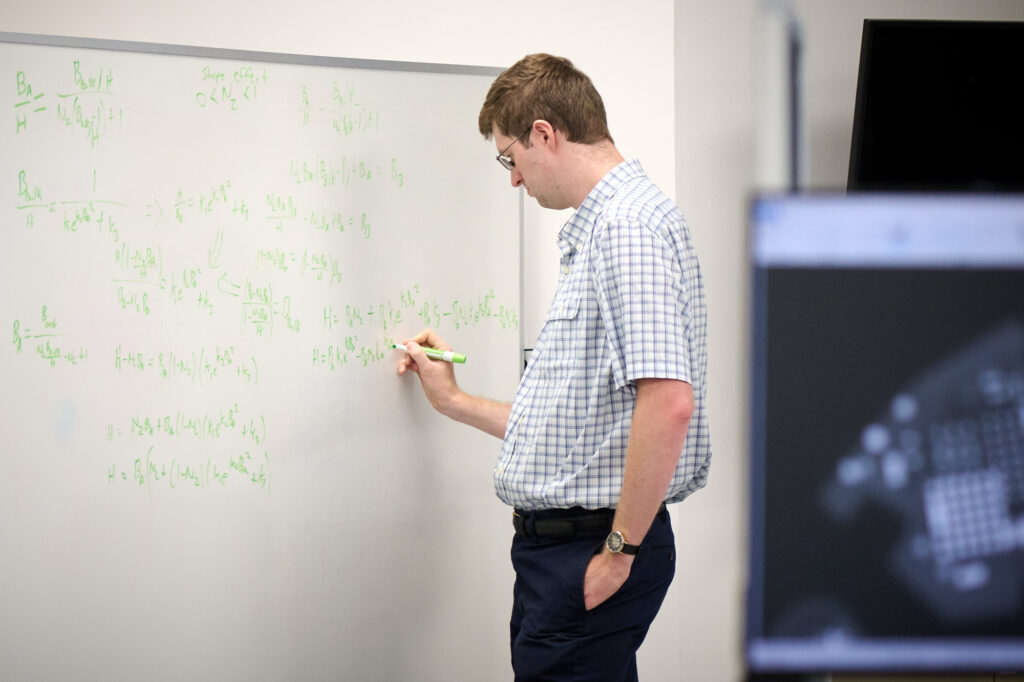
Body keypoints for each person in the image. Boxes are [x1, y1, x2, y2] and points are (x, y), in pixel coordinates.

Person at [396, 53, 710, 681]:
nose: (513, 179)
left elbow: (669, 402)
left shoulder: (625, 229)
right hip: (566, 553)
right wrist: (454, 400)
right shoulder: (607, 230)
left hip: (587, 549)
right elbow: (576, 428)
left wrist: (618, 553)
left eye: (510, 157)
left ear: (545, 134)